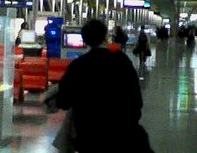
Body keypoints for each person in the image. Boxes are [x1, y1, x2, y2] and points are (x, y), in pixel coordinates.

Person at [54, 19, 153, 153]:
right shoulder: (122, 61)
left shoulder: (78, 66)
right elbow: (136, 100)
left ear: (85, 40)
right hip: (121, 134)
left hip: (89, 136)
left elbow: (63, 101)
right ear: (106, 36)